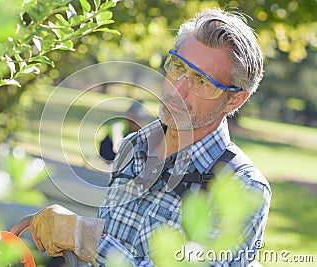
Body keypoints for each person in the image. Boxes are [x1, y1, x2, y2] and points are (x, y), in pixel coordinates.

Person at [29, 8, 271, 266]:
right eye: (178, 66)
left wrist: (86, 238)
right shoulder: (133, 146)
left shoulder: (243, 188)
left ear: (234, 99)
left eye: (201, 81)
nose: (177, 89)